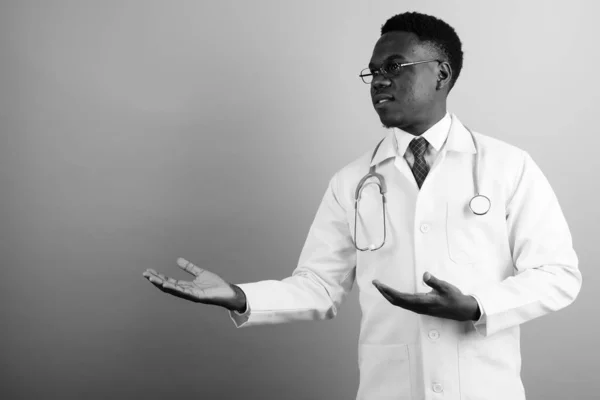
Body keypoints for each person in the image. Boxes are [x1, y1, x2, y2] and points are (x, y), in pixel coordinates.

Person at [142, 11, 582, 400]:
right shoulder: (352, 182)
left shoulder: (508, 166)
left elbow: (558, 275)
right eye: (372, 72)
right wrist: (239, 297)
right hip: (389, 389)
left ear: (442, 74)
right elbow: (318, 287)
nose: (379, 81)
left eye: (394, 67)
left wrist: (476, 306)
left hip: (486, 388)